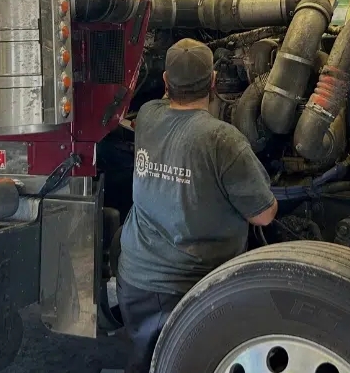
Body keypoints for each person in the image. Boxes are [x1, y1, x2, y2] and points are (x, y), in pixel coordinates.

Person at [115, 38, 278, 373]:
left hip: (136, 277)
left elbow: (167, 108)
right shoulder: (223, 139)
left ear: (164, 82)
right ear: (214, 82)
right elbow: (265, 215)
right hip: (190, 287)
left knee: (144, 362)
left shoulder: (147, 116)